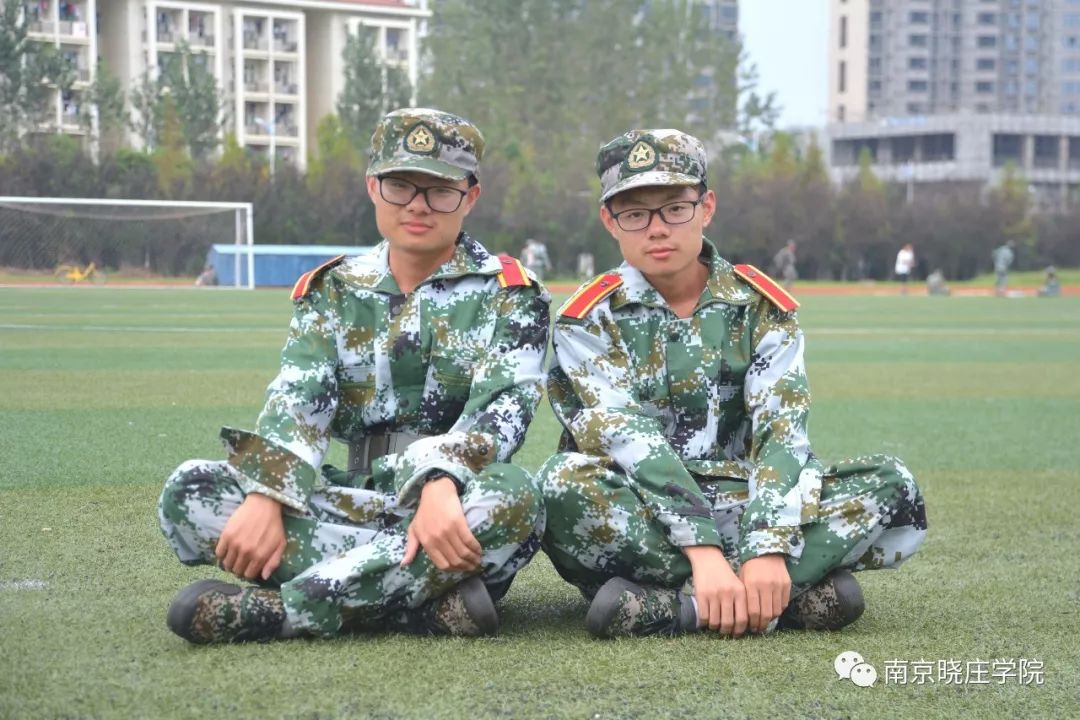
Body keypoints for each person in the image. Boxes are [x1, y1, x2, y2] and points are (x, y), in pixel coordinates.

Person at [159, 108, 550, 644]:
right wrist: (268, 493)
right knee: (191, 490)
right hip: (352, 501)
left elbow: (502, 410)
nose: (417, 203)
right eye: (400, 185)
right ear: (373, 186)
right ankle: (417, 602)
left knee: (518, 496)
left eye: (439, 189)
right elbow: (299, 398)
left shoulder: (512, 295)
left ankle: (289, 611)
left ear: (470, 196)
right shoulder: (332, 290)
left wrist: (438, 478)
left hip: (453, 504)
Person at [537, 129, 927, 639]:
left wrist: (766, 543)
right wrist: (703, 553)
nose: (657, 229)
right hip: (643, 514)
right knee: (559, 486)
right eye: (635, 213)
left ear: (707, 207)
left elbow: (782, 432)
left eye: (675, 208)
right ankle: (778, 598)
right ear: (610, 220)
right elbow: (629, 440)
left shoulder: (761, 307)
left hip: (745, 508)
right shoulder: (587, 319)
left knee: (893, 485)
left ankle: (678, 609)